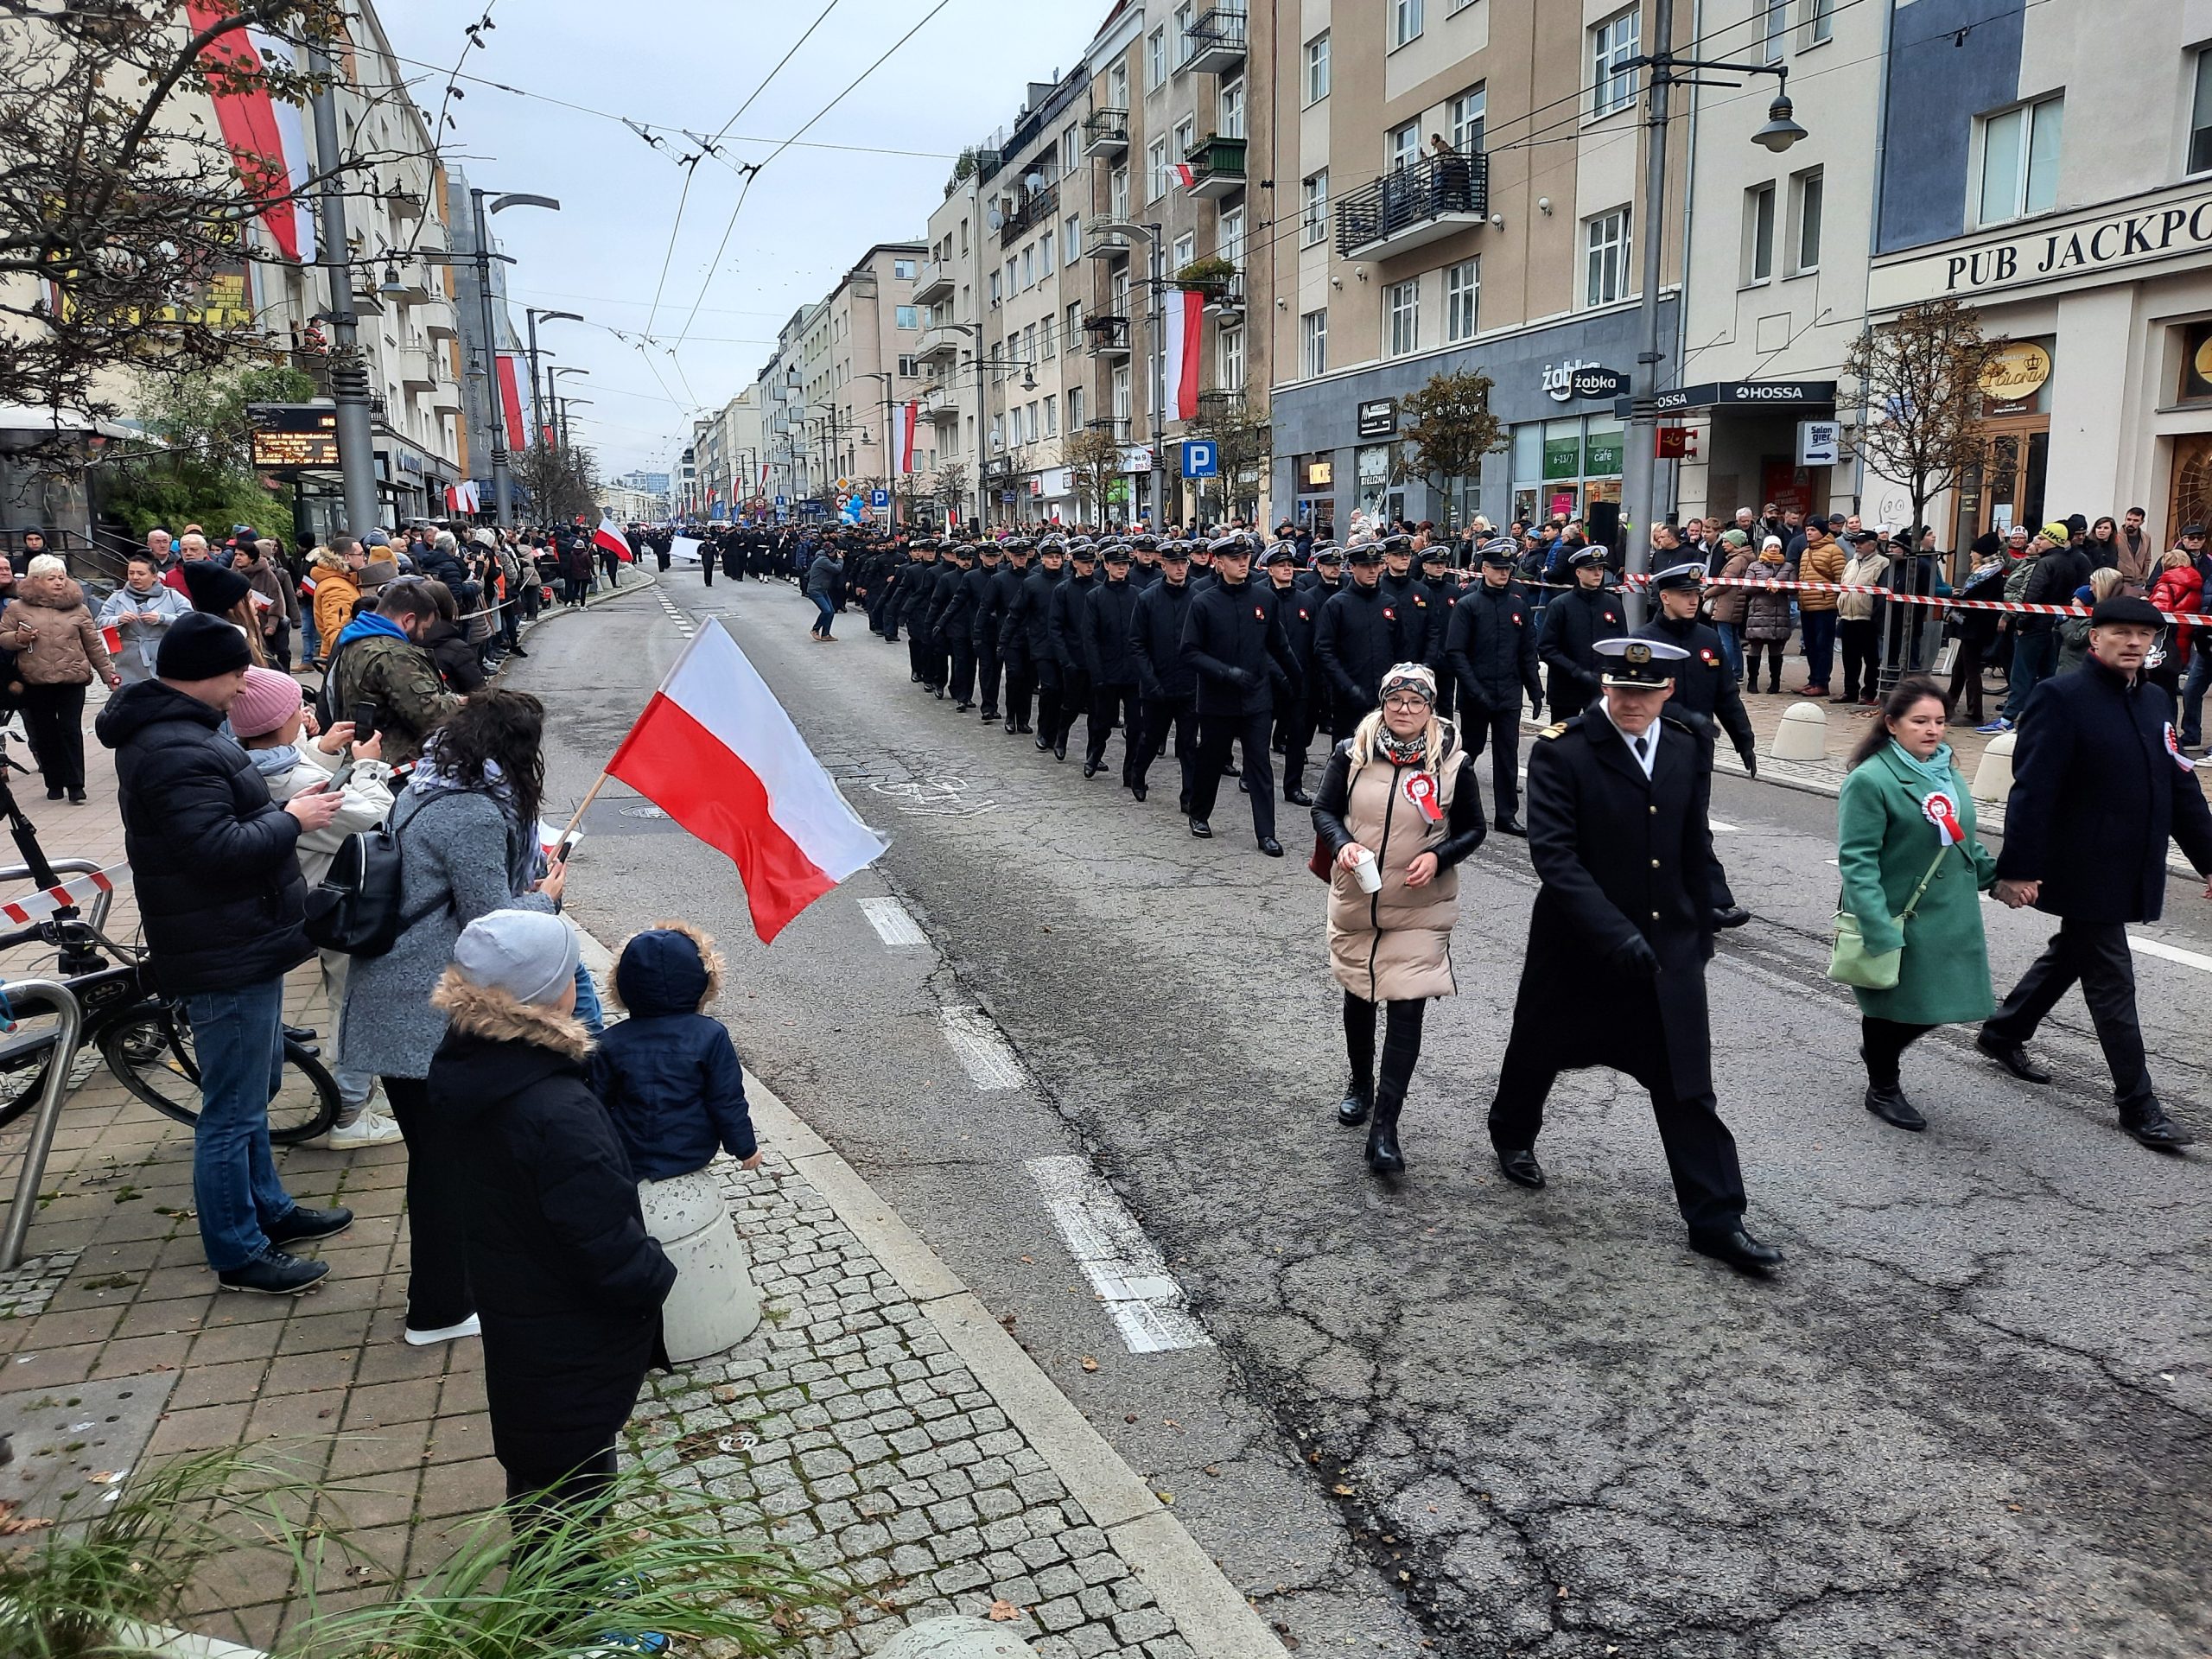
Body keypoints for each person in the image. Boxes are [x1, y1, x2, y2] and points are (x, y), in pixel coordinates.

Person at [1485, 638, 1780, 1274]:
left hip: (1667, 947)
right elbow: (1555, 858)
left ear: (1667, 692)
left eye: (1646, 692)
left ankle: (1717, 1218)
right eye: (1621, 690)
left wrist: (1702, 926)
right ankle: (1511, 1133)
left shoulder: (1683, 744)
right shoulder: (1563, 749)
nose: (1632, 703)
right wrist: (1611, 932)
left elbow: (1692, 843)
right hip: (1579, 945)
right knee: (1540, 1048)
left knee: (1686, 1085)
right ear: (1604, 686)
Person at [94, 613, 350, 1293]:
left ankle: (267, 1208)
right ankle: (238, 1251)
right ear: (208, 671)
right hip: (223, 945)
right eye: (238, 671)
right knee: (233, 1107)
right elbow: (213, 852)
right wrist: (291, 820)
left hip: (240, 938)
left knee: (251, 1090)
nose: (244, 687)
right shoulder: (175, 747)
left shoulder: (186, 732)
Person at [427, 910, 673, 1551]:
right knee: (574, 1479)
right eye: (569, 971)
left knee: (542, 1469)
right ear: (547, 994)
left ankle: (562, 1598)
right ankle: (572, 1624)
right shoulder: (556, 1111)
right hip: (568, 1330)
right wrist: (656, 1275)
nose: (577, 981)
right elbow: (603, 1242)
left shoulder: (472, 1059)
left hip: (518, 1300)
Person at [340, 690, 569, 1343]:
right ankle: (438, 1309)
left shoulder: (430, 783)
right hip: (421, 1006)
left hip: (392, 991)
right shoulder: (472, 812)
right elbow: (489, 924)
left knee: (439, 1156)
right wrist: (546, 900)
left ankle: (454, 1289)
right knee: (443, 1164)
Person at [1976, 594, 2212, 1149]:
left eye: (2145, 635)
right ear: (2095, 637)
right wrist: (2018, 868)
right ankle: (2138, 1103)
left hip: (2133, 862)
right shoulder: (2059, 697)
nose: (2134, 643)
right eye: (2122, 632)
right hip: (2081, 866)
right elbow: (2033, 790)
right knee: (2112, 980)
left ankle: (2004, 1030)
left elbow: (2180, 787)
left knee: (2072, 955)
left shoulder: (2156, 700)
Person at [1311, 663, 1485, 1177]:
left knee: (1407, 1005)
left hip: (1420, 904)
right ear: (1383, 704)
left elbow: (1474, 829)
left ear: (1431, 708)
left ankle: (1385, 1127)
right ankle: (1360, 1084)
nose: (1405, 711)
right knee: (1360, 994)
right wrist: (1342, 846)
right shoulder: (1354, 752)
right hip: (1359, 896)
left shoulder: (1453, 763)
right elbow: (1323, 809)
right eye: (1395, 702)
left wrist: (1440, 857)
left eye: (1416, 703)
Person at [225, 666, 404, 1148]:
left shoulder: (244, 766)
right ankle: (348, 1111)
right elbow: (377, 819)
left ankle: (362, 1090)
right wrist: (369, 766)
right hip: (331, 901)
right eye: (297, 709)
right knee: (351, 1000)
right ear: (284, 719)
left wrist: (321, 751)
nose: (305, 714)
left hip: (292, 897)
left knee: (346, 996)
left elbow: (291, 768)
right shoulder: (296, 780)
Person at [1835, 677, 2007, 1130]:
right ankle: (1883, 1086)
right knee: (1889, 1003)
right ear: (1891, 724)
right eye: (1920, 722)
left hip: (1949, 912)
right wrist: (1875, 925)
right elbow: (1857, 860)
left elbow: (1961, 835)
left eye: (1940, 721)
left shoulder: (1946, 767)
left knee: (1945, 1002)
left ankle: (1879, 1051)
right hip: (1897, 911)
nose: (1933, 731)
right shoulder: (1870, 779)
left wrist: (1998, 879)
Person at [592, 922, 761, 1180]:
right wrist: (744, 1148)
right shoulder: (711, 1035)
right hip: (690, 1151)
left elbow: (596, 1103)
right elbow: (726, 1099)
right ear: (700, 981)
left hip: (627, 1152)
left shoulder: (610, 1041)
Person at [1180, 533, 1300, 854]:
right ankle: (1199, 813)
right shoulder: (1203, 602)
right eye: (1235, 559)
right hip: (1217, 698)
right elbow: (1189, 651)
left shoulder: (1264, 599)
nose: (1243, 562)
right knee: (1211, 758)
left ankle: (1266, 833)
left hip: (1256, 697)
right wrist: (1225, 672)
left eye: (1246, 557)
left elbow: (1279, 645)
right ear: (1218, 563)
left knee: (1259, 763)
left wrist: (1298, 681)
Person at [0, 555, 120, 802]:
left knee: (70, 730)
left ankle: (76, 784)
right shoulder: (17, 608)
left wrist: (108, 675)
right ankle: (53, 782)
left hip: (72, 678)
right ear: (36, 581)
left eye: (61, 577)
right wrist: (20, 638)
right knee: (45, 732)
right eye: (51, 578)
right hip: (35, 680)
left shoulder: (79, 607)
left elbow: (94, 645)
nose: (58, 582)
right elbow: (3, 638)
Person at [1445, 539, 1543, 837]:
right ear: (1484, 569)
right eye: (1498, 568)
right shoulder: (1468, 605)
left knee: (1506, 755)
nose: (1503, 573)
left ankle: (1506, 814)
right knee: (1469, 752)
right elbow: (1456, 652)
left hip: (1509, 693)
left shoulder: (1518, 605)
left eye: (1507, 569)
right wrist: (1474, 690)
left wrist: (1535, 690)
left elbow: (1527, 651)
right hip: (1478, 693)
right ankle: (1453, 804)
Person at [327, 580, 462, 768]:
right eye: (424, 628)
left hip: (362, 754)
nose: (423, 636)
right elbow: (430, 715)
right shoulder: (394, 656)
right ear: (408, 620)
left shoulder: (356, 640)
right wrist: (460, 702)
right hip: (395, 762)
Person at [1129, 540, 1198, 809]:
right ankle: (1138, 773)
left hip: (1189, 684)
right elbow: (1137, 643)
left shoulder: (1197, 598)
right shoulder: (1147, 598)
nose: (1180, 568)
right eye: (1174, 563)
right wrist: (1149, 680)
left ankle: (1189, 796)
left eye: (1184, 563)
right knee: (1152, 737)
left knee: (1189, 744)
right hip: (1156, 683)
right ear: (1163, 565)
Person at [1535, 547, 1624, 720]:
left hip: (1602, 689)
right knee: (1565, 741)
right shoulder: (1561, 605)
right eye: (1591, 569)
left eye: (1600, 569)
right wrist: (1576, 671)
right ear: (1578, 573)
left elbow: (1621, 643)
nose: (1597, 574)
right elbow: (1546, 647)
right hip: (1567, 689)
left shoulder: (1613, 604)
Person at [1081, 544, 1142, 785]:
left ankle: (1131, 772)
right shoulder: (1095, 596)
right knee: (1103, 722)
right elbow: (1090, 637)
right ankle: (1094, 754)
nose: (1121, 569)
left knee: (1136, 725)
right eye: (1116, 565)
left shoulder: (1138, 594)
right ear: (1106, 566)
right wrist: (1097, 673)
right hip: (1106, 671)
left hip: (1134, 672)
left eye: (1125, 565)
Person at [97, 555, 194, 686]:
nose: (135, 577)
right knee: (133, 698)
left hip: (165, 654)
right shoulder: (117, 597)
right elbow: (100, 621)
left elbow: (190, 620)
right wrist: (118, 619)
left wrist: (162, 618)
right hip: (129, 659)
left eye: (141, 573)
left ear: (154, 576)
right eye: (131, 573)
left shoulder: (172, 595)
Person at [1835, 531, 1890, 706]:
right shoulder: (1851, 563)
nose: (1857, 545)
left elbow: (1881, 593)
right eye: (1856, 542)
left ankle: (1869, 692)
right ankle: (1850, 691)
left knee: (1871, 658)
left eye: (1861, 542)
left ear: (1872, 545)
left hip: (1867, 618)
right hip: (1847, 616)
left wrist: (1876, 615)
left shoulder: (1883, 563)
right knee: (1849, 657)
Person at [1738, 537, 1796, 693]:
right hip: (1758, 613)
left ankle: (1775, 682)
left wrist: (1780, 587)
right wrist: (1765, 586)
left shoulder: (1788, 566)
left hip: (1779, 614)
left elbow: (1793, 588)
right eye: (1770, 546)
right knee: (1755, 647)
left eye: (1776, 546)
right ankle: (1752, 681)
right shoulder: (1754, 566)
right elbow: (1746, 588)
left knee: (1776, 649)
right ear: (1764, 548)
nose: (1773, 549)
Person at [804, 540, 844, 641]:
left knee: (831, 611)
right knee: (826, 611)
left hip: (822, 589)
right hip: (815, 590)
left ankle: (826, 634)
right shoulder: (823, 560)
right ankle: (815, 629)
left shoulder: (823, 558)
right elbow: (837, 569)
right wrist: (840, 559)